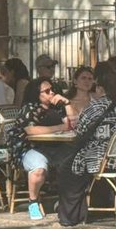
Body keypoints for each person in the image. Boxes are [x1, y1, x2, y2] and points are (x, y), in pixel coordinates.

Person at [56, 68, 116, 227]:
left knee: (66, 167)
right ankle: (97, 203)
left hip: (101, 160)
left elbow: (80, 132)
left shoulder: (94, 108)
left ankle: (70, 215)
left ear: (100, 88)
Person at [8, 77, 71, 221]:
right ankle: (33, 202)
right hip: (30, 148)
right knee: (39, 169)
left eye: (52, 89)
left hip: (55, 146)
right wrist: (60, 127)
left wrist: (67, 103)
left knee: (74, 163)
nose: (51, 93)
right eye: (47, 91)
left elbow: (71, 123)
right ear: (37, 94)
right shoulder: (29, 108)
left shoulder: (56, 107)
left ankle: (64, 200)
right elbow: (31, 130)